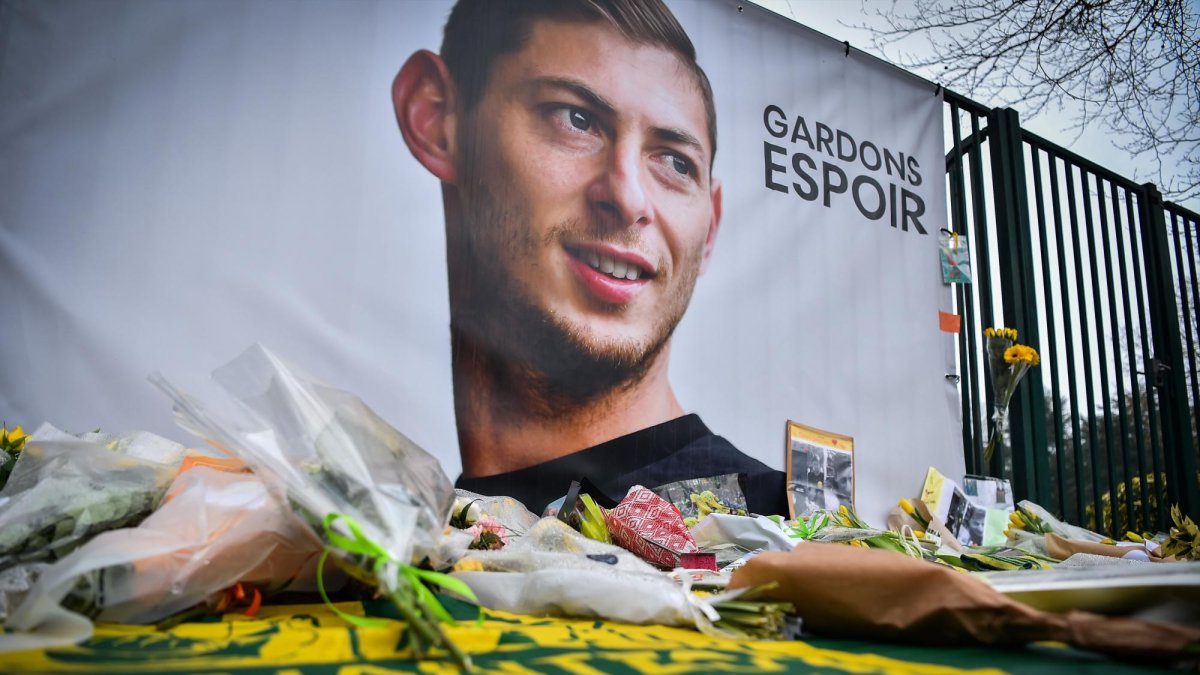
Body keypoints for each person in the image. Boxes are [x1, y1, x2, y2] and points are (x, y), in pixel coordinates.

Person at [393, 0, 787, 515]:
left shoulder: (778, 541)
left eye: (674, 162)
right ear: (437, 118)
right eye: (575, 119)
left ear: (709, 228)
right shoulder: (374, 541)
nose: (628, 198)